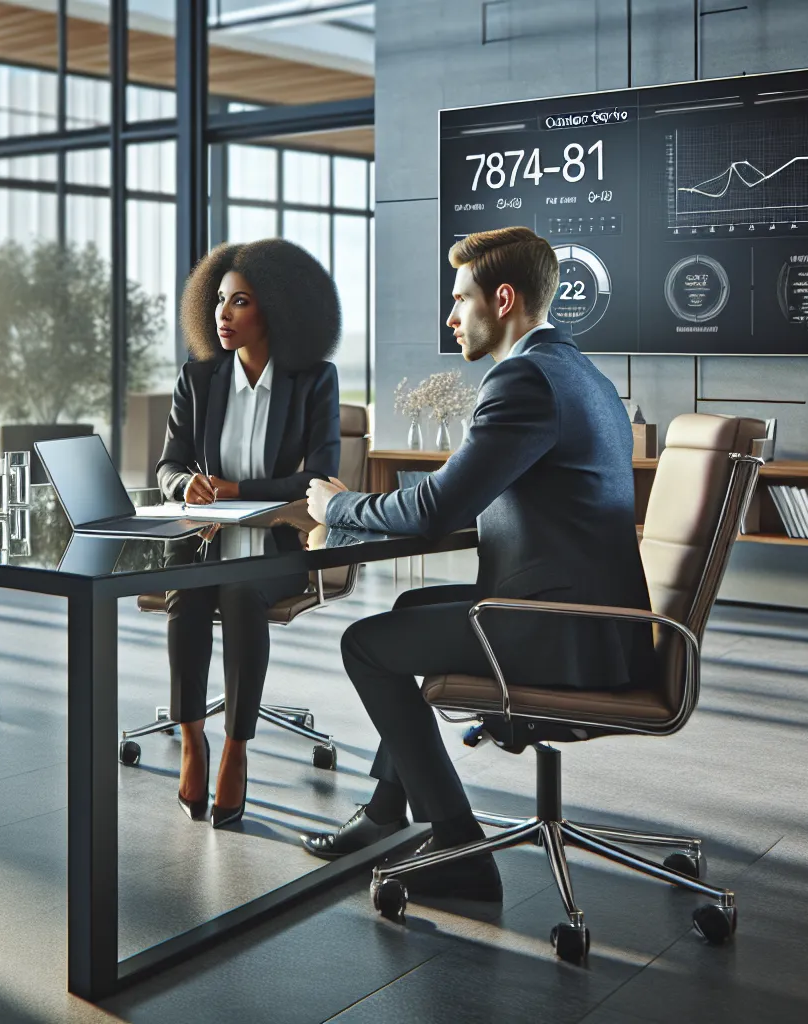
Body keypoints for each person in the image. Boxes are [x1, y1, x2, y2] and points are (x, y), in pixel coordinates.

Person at [300, 226, 656, 899]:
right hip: (600, 628)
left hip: (554, 631)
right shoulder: (580, 374)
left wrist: (339, 507)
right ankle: (384, 812)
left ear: (503, 298)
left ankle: (458, 843)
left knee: (365, 646)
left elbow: (435, 510)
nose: (450, 315)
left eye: (460, 299)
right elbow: (466, 496)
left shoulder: (523, 380)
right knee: (409, 609)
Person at [154, 238, 342, 828]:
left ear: (277, 310)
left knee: (238, 592)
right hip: (206, 538)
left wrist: (236, 490)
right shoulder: (199, 379)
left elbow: (317, 476)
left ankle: (236, 748)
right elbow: (166, 467)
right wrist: (185, 486)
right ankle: (192, 739)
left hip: (282, 544)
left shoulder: (314, 382)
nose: (223, 315)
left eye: (240, 302)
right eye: (218, 302)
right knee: (187, 595)